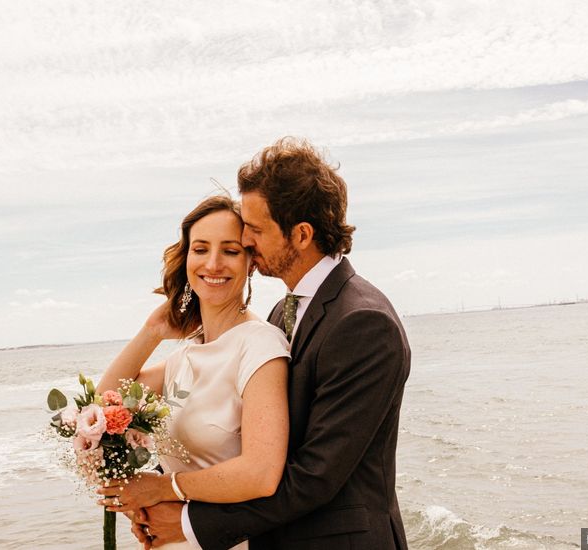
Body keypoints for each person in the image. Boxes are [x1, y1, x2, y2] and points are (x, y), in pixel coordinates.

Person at [139, 137, 412, 550]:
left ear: (301, 235)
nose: (246, 240)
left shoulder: (363, 324)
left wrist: (189, 520)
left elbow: (314, 476)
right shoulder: (281, 313)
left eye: (256, 229)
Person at [93, 195, 292, 550]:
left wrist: (158, 489)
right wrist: (153, 330)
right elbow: (104, 406)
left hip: (224, 540)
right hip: (171, 539)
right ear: (186, 258)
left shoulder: (260, 345)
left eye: (230, 251)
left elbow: (260, 475)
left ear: (251, 262)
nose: (213, 264)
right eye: (200, 249)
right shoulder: (186, 354)